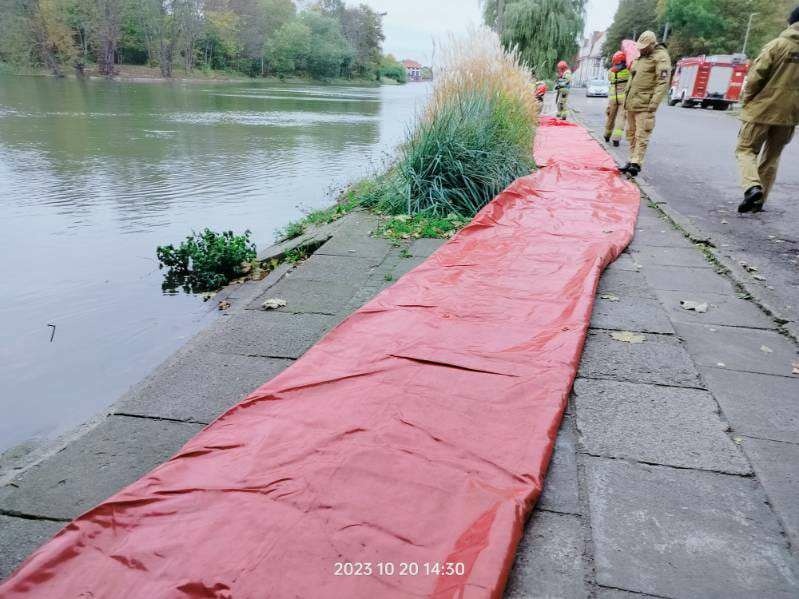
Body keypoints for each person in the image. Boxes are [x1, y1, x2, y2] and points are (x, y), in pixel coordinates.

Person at [735, 6, 799, 213]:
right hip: (789, 115)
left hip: (762, 109)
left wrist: (747, 100)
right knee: (772, 157)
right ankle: (759, 201)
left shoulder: (777, 45)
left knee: (745, 149)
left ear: (790, 22)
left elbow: (755, 78)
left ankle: (752, 187)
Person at [619, 31, 671, 177]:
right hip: (632, 102)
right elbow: (633, 78)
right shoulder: (641, 57)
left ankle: (636, 163)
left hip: (645, 104)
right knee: (631, 134)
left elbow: (663, 82)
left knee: (642, 134)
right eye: (640, 47)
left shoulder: (661, 57)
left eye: (644, 47)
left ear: (652, 44)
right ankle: (631, 159)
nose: (641, 49)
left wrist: (654, 103)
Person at [604, 51, 631, 147]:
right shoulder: (628, 71)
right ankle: (616, 139)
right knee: (621, 118)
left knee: (610, 117)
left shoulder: (611, 71)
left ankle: (607, 135)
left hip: (612, 98)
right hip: (623, 98)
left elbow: (609, 79)